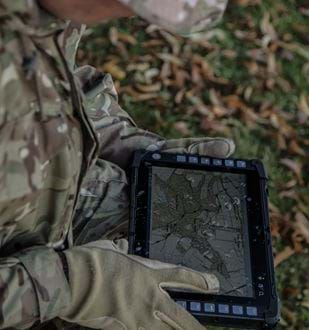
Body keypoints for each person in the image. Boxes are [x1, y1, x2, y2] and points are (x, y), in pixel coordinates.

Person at [0, 0, 233, 329]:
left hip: (56, 204)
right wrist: (70, 286)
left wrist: (137, 150)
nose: (125, 15)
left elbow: (57, 75)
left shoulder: (53, 10)